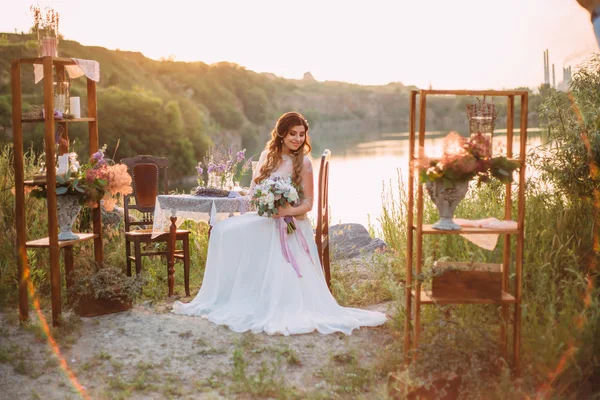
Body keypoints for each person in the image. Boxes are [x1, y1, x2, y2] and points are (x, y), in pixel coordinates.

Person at [172, 112, 387, 335]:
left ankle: (257, 297)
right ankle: (230, 295)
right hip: (267, 218)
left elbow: (308, 204)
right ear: (282, 134)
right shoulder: (267, 156)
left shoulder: (303, 162)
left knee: (235, 231)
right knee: (222, 230)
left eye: (302, 134)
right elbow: (254, 194)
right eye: (293, 134)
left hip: (292, 222)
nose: (297, 139)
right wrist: (264, 201)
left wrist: (287, 211)